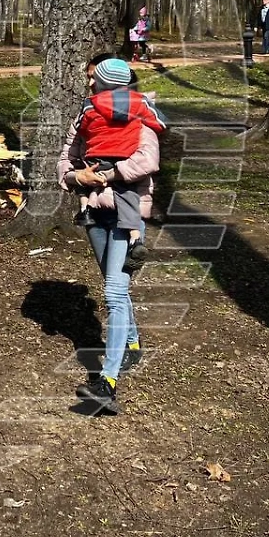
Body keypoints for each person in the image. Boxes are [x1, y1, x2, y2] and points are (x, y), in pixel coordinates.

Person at [58, 55, 164, 415]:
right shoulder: (86, 115)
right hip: (94, 211)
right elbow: (66, 157)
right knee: (112, 282)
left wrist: (107, 174)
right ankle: (132, 342)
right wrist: (77, 177)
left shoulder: (140, 114)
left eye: (93, 78)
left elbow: (147, 160)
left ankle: (107, 382)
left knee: (115, 293)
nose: (89, 84)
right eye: (88, 78)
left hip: (126, 215)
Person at [71, 57, 166, 258]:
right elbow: (160, 122)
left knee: (84, 179)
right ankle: (134, 236)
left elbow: (81, 127)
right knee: (127, 192)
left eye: (94, 79)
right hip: (124, 156)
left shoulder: (90, 104)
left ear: (101, 82)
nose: (90, 83)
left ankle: (85, 209)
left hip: (96, 156)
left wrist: (94, 132)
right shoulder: (140, 102)